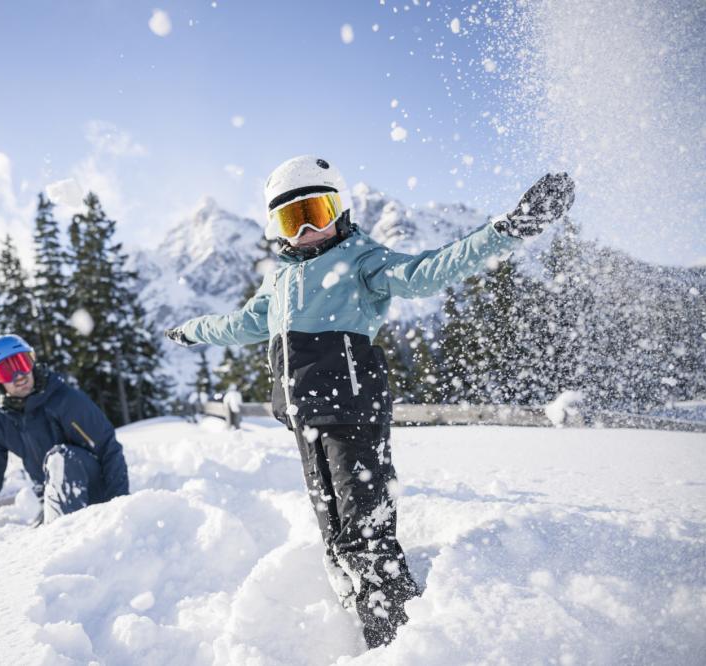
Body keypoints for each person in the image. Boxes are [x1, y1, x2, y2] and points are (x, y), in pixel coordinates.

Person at [165, 155, 575, 649]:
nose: (308, 230)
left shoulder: (360, 259)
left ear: (339, 210)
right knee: (332, 526)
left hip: (351, 409)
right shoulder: (277, 282)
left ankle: (397, 638)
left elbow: (426, 272)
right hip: (304, 421)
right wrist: (190, 332)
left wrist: (507, 230)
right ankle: (352, 610)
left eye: (317, 211)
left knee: (366, 527)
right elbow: (238, 325)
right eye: (292, 221)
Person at [0, 334, 129, 525]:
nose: (19, 377)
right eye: (5, 371)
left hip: (97, 494)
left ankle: (64, 535)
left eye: (21, 363)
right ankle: (55, 528)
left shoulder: (65, 401)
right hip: (53, 501)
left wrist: (119, 507)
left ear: (32, 361)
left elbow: (108, 448)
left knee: (61, 458)